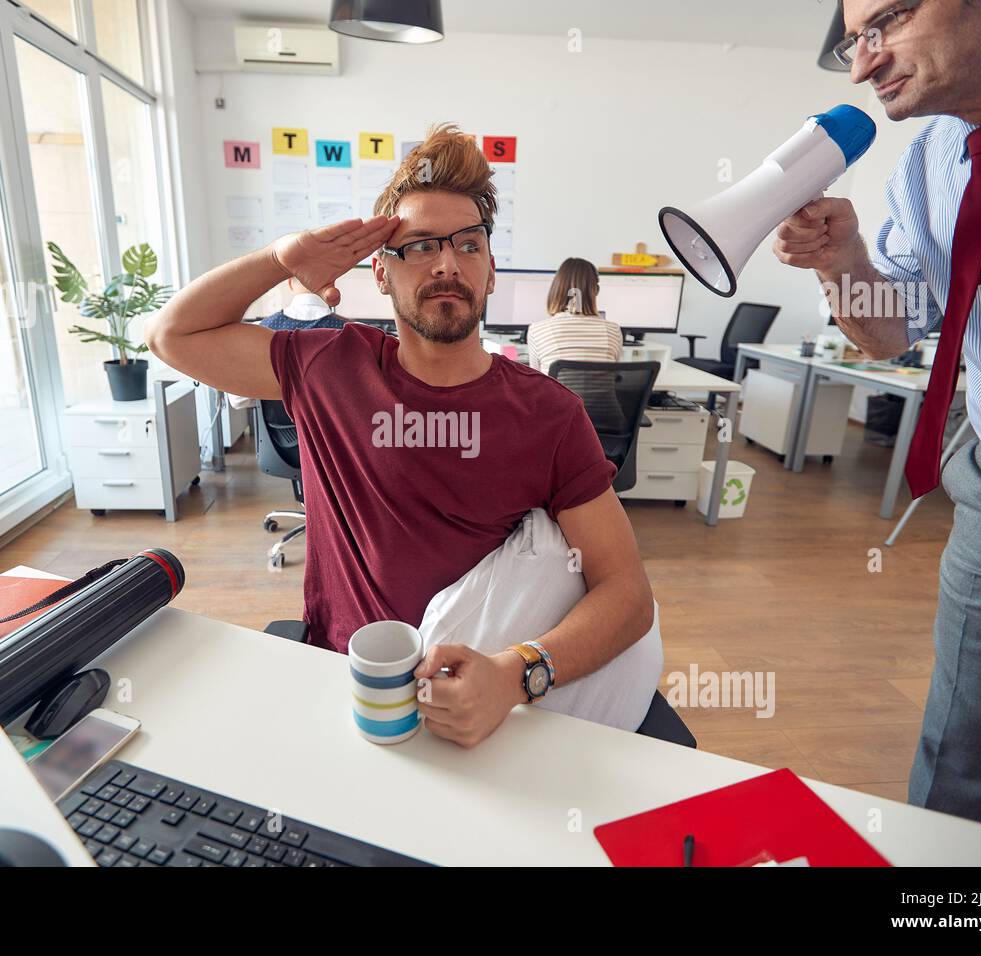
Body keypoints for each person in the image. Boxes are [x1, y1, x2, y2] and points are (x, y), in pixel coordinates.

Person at [149, 123, 656, 749]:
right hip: (350, 683)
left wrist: (514, 675)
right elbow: (173, 336)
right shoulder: (329, 365)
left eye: (468, 245)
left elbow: (627, 592)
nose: (447, 263)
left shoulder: (548, 413)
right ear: (381, 275)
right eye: (418, 246)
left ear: (491, 271)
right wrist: (284, 259)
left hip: (484, 698)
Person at [773, 0, 981, 830]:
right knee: (959, 791)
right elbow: (891, 328)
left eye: (887, 21)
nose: (864, 65)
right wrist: (844, 261)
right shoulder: (934, 158)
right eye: (852, 43)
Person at [226, 277, 344, 411]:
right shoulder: (353, 333)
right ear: (332, 285)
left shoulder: (259, 330)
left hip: (276, 430)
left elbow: (238, 400)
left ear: (289, 283)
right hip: (331, 430)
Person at [526, 257, 623, 375]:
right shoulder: (614, 330)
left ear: (556, 290)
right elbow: (613, 376)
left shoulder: (536, 331)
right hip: (602, 394)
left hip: (556, 394)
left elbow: (536, 379)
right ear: (595, 291)